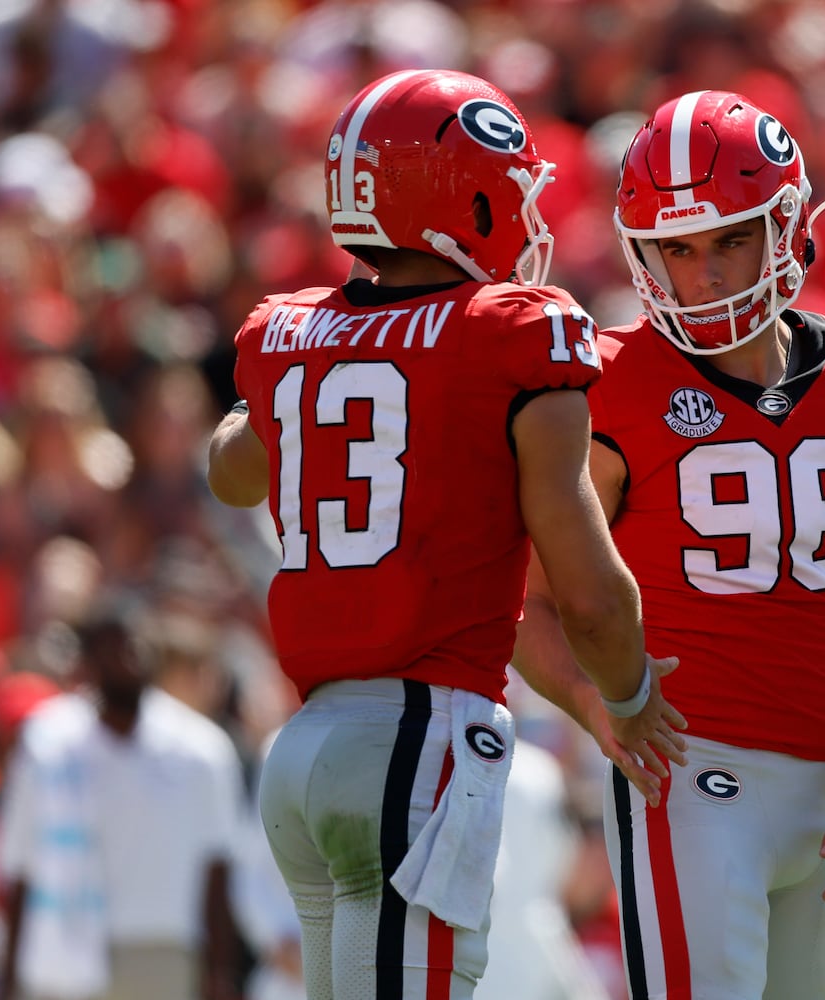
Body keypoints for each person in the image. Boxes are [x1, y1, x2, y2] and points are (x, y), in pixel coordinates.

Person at [205, 69, 686, 1000]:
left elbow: (232, 471)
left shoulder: (286, 331)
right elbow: (588, 588)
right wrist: (629, 696)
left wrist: (282, 391)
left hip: (304, 751)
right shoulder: (509, 331)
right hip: (416, 743)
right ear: (463, 197)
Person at [514, 89, 825, 999]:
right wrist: (595, 702)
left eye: (730, 240)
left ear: (787, 226)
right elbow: (526, 602)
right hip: (689, 776)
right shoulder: (606, 387)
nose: (704, 275)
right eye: (678, 249)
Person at [0, 598, 245, 1000]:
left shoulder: (201, 751)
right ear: (87, 660)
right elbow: (21, 866)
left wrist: (219, 974)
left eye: (134, 647)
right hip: (61, 953)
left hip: (158, 953)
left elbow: (218, 868)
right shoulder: (47, 743)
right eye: (111, 649)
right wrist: (7, 976)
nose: (126, 660)